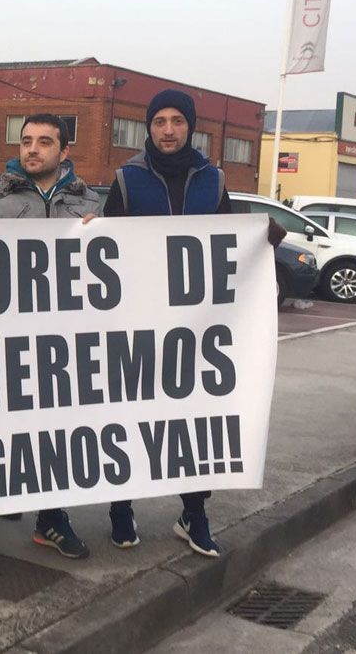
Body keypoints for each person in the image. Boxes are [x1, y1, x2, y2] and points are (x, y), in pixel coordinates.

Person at [103, 88, 284, 557]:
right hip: (137, 323)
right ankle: (120, 507)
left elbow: (230, 242)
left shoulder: (214, 179)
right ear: (148, 127)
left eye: (176, 121)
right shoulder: (125, 179)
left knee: (192, 420)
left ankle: (194, 511)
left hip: (198, 326)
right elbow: (105, 249)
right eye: (159, 120)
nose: (167, 129)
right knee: (129, 414)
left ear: (190, 126)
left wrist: (263, 239)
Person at [0, 113, 102, 562]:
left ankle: (51, 519)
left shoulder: (90, 205)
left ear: (64, 152)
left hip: (59, 345)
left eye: (45, 142)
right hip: (1, 339)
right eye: (26, 141)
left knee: (52, 435)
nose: (32, 149)